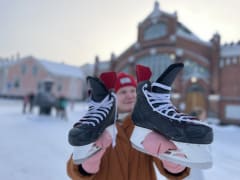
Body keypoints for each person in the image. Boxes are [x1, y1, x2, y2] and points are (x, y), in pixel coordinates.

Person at [67, 72, 190, 180]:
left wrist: (174, 161)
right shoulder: (97, 123)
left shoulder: (148, 125)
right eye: (123, 92)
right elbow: (74, 171)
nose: (130, 95)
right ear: (113, 97)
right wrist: (89, 161)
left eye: (133, 91)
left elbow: (171, 170)